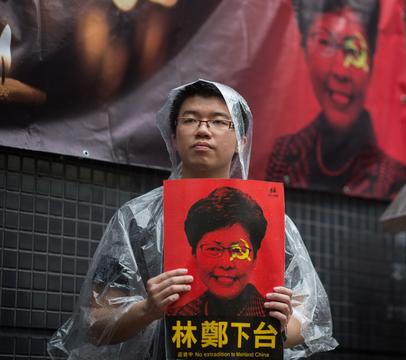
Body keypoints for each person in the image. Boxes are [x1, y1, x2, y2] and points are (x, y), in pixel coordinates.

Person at [47, 79, 338, 359]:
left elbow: (309, 318)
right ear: (173, 136)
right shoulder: (138, 219)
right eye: (190, 120)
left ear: (241, 140)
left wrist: (282, 324)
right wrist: (148, 309)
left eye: (219, 121)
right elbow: (96, 323)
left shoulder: (272, 220)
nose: (203, 130)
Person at [265, 0, 406, 199]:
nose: (340, 71)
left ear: (372, 59)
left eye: (353, 51)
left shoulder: (393, 178)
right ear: (305, 49)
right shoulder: (283, 154)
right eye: (326, 44)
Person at [172, 186, 269, 317]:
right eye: (213, 249)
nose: (226, 263)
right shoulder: (179, 315)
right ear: (194, 254)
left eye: (238, 250)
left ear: (255, 258)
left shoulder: (271, 316)